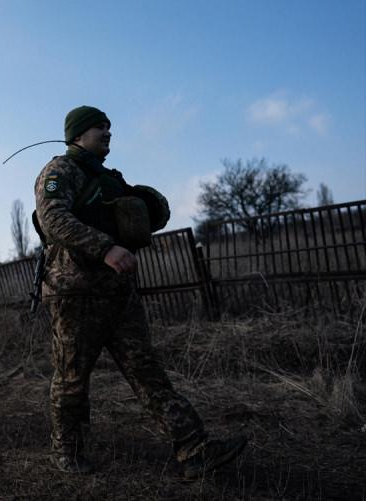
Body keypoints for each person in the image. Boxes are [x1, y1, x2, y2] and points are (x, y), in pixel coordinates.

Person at [33, 105, 247, 477]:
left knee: (147, 370)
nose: (108, 132)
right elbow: (52, 218)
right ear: (78, 134)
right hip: (76, 293)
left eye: (109, 126)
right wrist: (105, 247)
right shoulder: (59, 170)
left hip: (118, 292)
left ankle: (193, 448)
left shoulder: (110, 178)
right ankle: (66, 451)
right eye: (100, 126)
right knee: (72, 376)